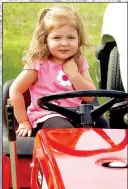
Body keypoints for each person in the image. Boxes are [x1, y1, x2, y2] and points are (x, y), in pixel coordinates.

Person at [9, 5, 96, 137]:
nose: (64, 43)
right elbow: (15, 90)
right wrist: (23, 122)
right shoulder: (38, 64)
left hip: (77, 115)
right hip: (47, 117)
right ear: (45, 40)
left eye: (71, 37)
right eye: (57, 38)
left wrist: (74, 75)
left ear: (79, 39)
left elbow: (89, 97)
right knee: (64, 131)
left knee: (103, 127)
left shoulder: (79, 62)